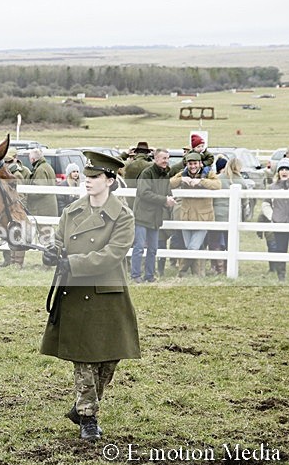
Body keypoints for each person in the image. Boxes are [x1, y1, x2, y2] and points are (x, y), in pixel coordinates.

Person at [40, 151, 139, 442]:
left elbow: (113, 254)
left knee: (109, 359)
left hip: (109, 293)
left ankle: (84, 404)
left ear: (110, 180)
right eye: (87, 176)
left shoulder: (123, 216)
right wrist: (52, 254)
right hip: (76, 293)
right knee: (83, 359)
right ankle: (87, 417)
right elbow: (59, 242)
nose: (88, 181)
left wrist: (75, 263)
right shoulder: (72, 212)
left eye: (94, 177)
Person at [170, 151, 221, 277]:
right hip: (187, 217)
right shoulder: (183, 173)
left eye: (195, 163)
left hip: (203, 217)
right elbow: (169, 183)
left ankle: (181, 273)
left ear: (200, 164)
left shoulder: (208, 174)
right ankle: (198, 273)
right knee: (191, 247)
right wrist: (182, 179)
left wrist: (201, 182)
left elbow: (218, 185)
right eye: (190, 164)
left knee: (193, 247)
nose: (192, 166)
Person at [131, 148, 176, 283]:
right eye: (163, 158)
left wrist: (170, 200)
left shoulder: (165, 175)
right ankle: (135, 275)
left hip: (155, 217)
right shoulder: (147, 173)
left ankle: (149, 276)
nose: (166, 161)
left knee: (153, 249)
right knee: (139, 247)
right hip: (142, 216)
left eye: (167, 158)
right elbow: (144, 193)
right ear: (156, 159)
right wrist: (164, 200)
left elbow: (167, 192)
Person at [207, 156, 245, 275]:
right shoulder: (240, 181)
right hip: (232, 216)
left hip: (217, 214)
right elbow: (245, 200)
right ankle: (228, 266)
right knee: (230, 242)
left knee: (214, 242)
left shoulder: (218, 179)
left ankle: (218, 267)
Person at [0, 147, 31, 268]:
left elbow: (20, 195)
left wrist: (18, 209)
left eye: (9, 162)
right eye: (5, 162)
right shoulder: (7, 174)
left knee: (18, 236)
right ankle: (9, 260)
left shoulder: (17, 175)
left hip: (17, 209)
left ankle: (17, 263)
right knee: (9, 234)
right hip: (9, 209)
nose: (6, 164)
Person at [27, 148, 58, 257]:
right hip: (48, 207)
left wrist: (27, 193)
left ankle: (49, 260)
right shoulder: (47, 167)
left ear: (33, 159)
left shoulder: (40, 169)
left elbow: (39, 190)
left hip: (43, 208)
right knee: (47, 235)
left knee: (45, 236)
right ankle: (49, 259)